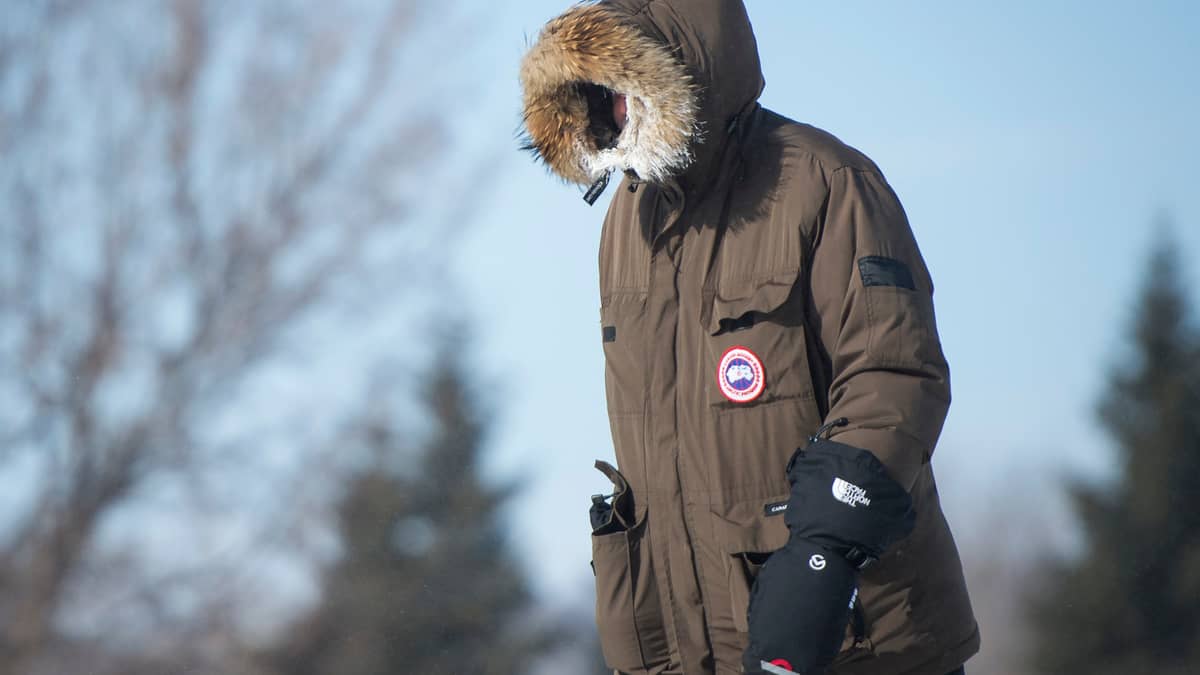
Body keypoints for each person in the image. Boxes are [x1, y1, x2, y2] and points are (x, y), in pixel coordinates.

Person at [519, 2, 979, 674]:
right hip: (690, 648)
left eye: (621, 88)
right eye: (597, 95)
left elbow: (894, 375)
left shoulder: (825, 182)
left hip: (853, 642)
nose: (610, 115)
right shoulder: (627, 220)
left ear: (678, 73)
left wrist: (821, 558)